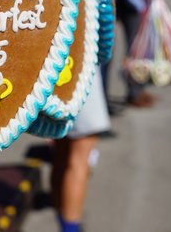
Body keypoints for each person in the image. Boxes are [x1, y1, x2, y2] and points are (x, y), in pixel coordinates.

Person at [51, 70, 110, 232]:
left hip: (50, 68)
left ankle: (62, 220)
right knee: (80, 157)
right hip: (78, 65)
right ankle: (69, 228)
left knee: (61, 150)